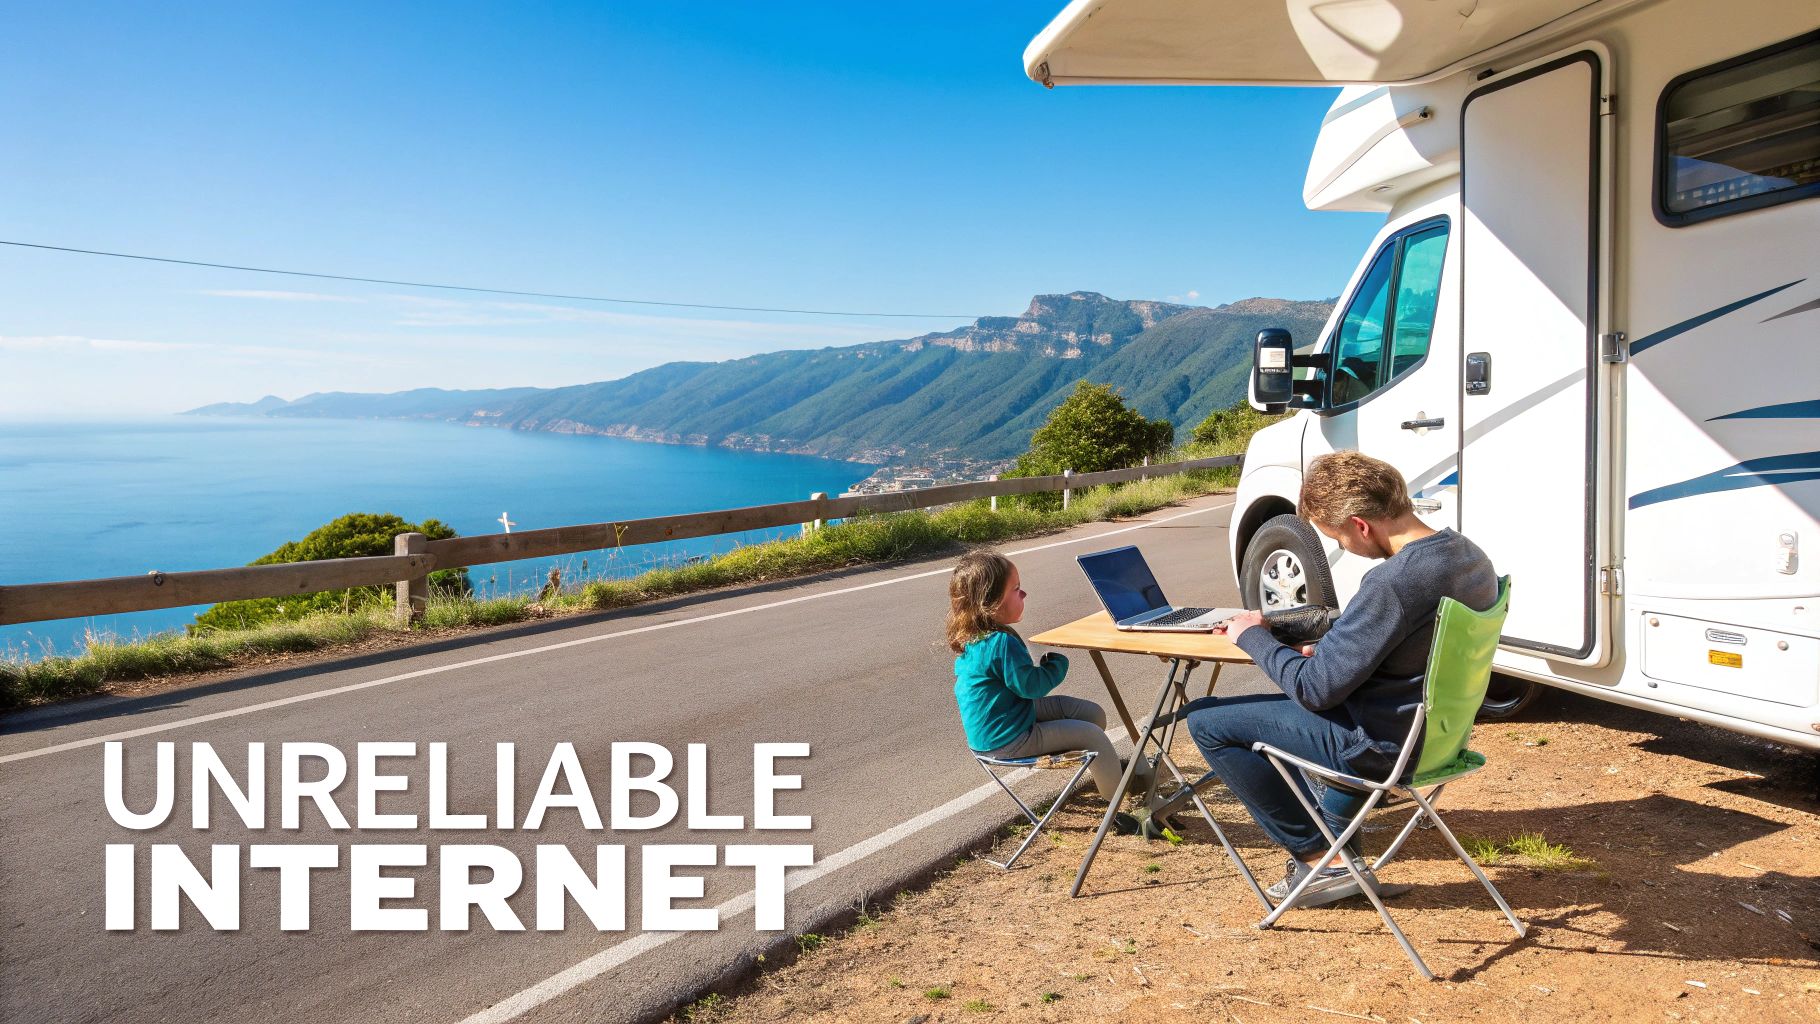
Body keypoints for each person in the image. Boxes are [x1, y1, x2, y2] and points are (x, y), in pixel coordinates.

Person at [1184, 450, 1498, 905]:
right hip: (1438, 737)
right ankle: (1337, 856)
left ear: (1360, 525)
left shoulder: (1394, 581)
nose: (1343, 548)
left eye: (1338, 538)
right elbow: (1411, 646)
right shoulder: (1467, 556)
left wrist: (1252, 637)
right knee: (1293, 715)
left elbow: (1314, 690)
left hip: (1384, 747)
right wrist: (1330, 653)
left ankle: (1318, 859)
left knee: (1207, 721)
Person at [947, 549, 1143, 835]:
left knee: (1091, 714)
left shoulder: (977, 636)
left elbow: (1020, 691)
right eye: (1015, 589)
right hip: (1009, 738)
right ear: (990, 602)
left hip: (1005, 720)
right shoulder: (1001, 642)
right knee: (1093, 736)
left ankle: (1104, 766)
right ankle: (1119, 806)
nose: (1024, 593)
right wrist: (1056, 666)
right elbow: (1032, 687)